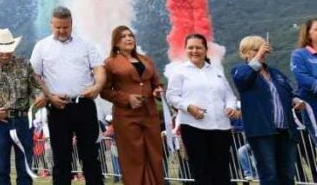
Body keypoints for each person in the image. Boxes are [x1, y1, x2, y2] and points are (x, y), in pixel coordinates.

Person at [29, 6, 106, 185]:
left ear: (72, 24)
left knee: (91, 155)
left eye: (66, 27)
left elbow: (99, 69)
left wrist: (98, 86)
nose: (62, 31)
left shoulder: (86, 45)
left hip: (84, 104)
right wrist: (48, 97)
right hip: (58, 106)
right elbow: (34, 76)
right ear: (51, 25)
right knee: (61, 157)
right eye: (58, 27)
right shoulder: (42, 46)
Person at [165, 33, 240, 185]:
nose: (194, 51)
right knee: (202, 172)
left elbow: (229, 95)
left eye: (198, 47)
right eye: (190, 47)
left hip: (221, 128)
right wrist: (188, 107)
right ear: (185, 50)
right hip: (194, 128)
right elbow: (172, 96)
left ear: (206, 50)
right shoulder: (179, 72)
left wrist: (231, 107)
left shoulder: (216, 72)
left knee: (222, 171)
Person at [232, 35, 305, 185]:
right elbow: (243, 80)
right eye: (256, 49)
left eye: (263, 49)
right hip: (262, 131)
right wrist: (257, 58)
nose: (262, 52)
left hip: (286, 131)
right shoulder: (240, 70)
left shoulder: (276, 73)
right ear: (244, 53)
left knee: (288, 174)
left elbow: (290, 92)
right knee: (269, 175)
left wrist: (296, 100)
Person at [0, 28, 42, 185]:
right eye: (1, 51)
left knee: (25, 166)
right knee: (2, 168)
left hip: (23, 121)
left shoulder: (25, 65)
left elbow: (35, 87)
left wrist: (39, 95)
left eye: (8, 51)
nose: (5, 55)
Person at [100, 26, 165, 185]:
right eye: (123, 37)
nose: (128, 39)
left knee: (154, 155)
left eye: (131, 36)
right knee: (134, 157)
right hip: (126, 116)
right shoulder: (110, 63)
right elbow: (105, 91)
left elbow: (157, 83)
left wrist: (158, 91)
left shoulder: (146, 60)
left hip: (150, 114)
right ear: (116, 42)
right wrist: (127, 99)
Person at [291, 17, 317, 178]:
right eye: (316, 29)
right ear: (308, 34)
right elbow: (301, 77)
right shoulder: (299, 54)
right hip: (312, 106)